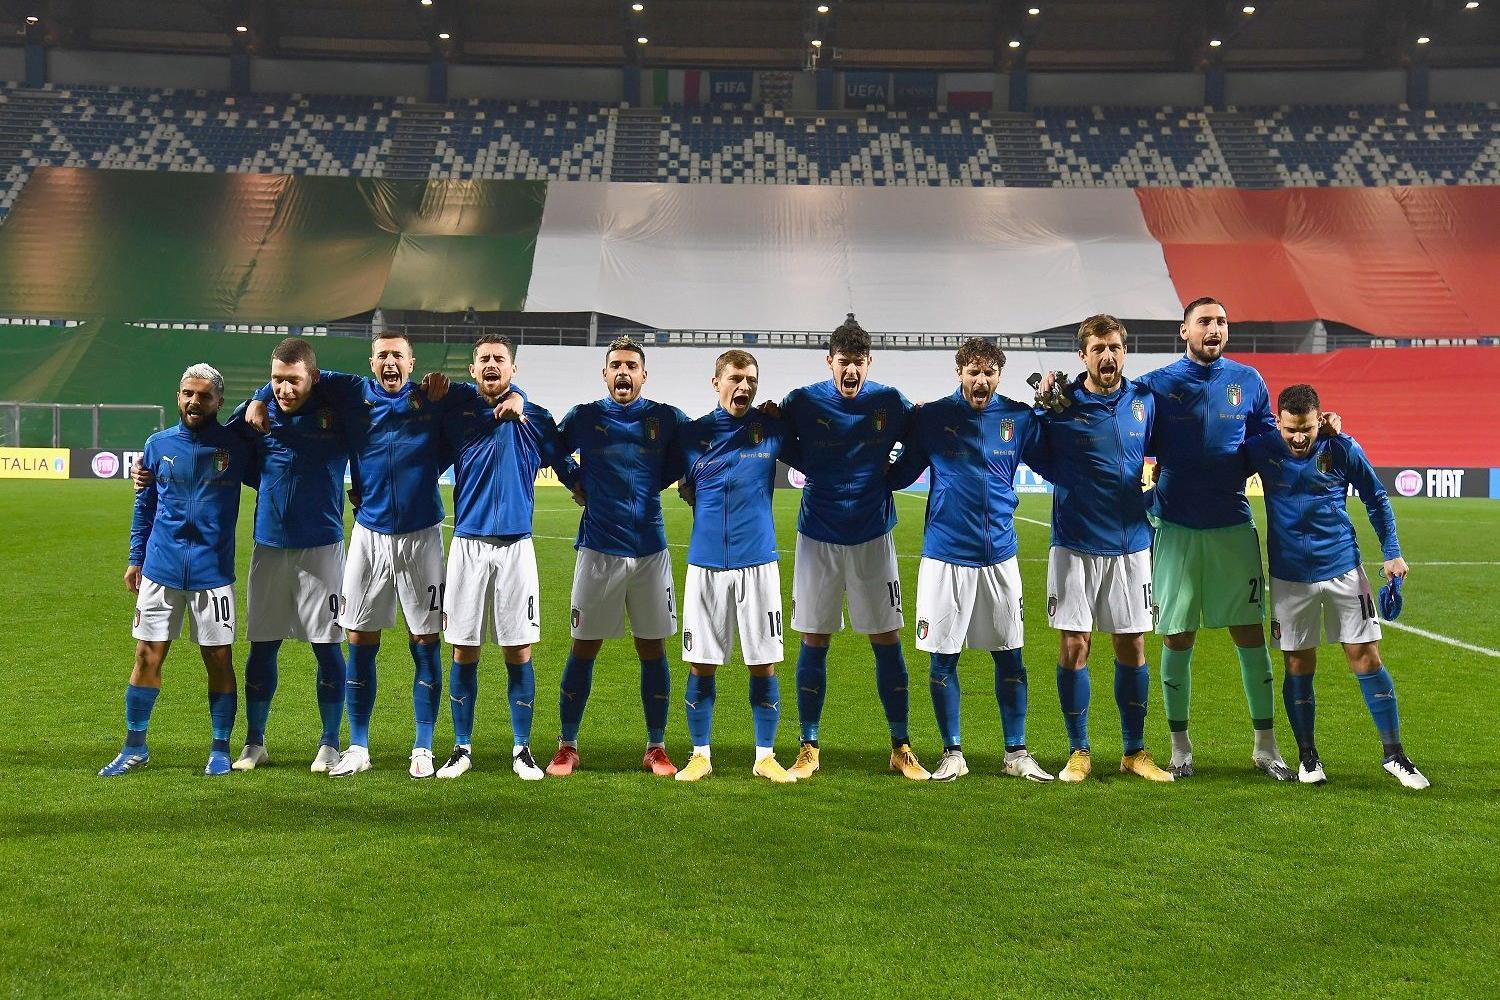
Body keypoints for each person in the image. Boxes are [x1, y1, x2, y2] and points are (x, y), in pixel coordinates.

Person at [246, 333, 489, 778]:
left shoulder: (433, 395)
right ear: (372, 362)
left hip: (422, 534)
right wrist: (258, 399)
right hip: (369, 535)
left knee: (425, 641)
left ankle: (422, 745)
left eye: (398, 355)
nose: (390, 362)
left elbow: (490, 391)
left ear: (412, 362)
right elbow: (296, 377)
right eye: (383, 356)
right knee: (359, 638)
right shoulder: (351, 391)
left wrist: (521, 396)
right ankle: (357, 745)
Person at [1132, 297, 1293, 780]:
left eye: (1221, 321)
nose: (1214, 328)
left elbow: (1269, 443)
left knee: (1249, 633)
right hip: (1176, 529)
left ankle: (1266, 748)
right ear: (1184, 331)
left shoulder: (1249, 381)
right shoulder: (1157, 385)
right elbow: (1127, 438)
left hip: (1231, 525)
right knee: (1177, 635)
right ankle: (1180, 750)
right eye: (1204, 321)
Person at [1245, 384, 1427, 789]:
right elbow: (1217, 473)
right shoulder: (1261, 448)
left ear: (1319, 420)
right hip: (1290, 577)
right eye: (1291, 428)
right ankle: (1308, 756)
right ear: (1279, 422)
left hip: (1344, 567)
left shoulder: (1341, 448)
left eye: (1307, 428)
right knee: (1298, 664)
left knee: (1367, 656)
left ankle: (1394, 755)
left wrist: (1392, 551)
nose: (1298, 437)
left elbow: (1376, 498)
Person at [887, 338, 1053, 783]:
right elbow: (899, 473)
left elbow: (1056, 462)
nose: (981, 381)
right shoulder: (933, 417)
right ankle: (953, 752)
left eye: (989, 372)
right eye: (973, 372)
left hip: (1001, 554)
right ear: (959, 372)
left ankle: (1016, 752)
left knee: (1011, 657)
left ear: (1000, 375)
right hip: (945, 556)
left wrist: (1060, 408)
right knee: (943, 659)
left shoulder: (1018, 418)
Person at [777, 315, 929, 781]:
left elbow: (918, 446)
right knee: (814, 638)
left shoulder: (889, 401)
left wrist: (890, 481)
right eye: (844, 363)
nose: (851, 372)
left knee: (886, 637)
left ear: (869, 363)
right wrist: (817, 467)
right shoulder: (802, 401)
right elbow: (782, 441)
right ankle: (808, 745)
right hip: (818, 536)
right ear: (830, 362)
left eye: (859, 363)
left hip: (872, 535)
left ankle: (901, 745)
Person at [101, 364, 259, 777]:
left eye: (204, 396)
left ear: (219, 402)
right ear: (178, 395)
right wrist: (136, 558)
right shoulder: (157, 445)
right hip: (161, 569)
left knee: (219, 660)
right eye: (188, 393)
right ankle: (135, 746)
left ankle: (220, 748)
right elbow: (145, 506)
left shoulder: (236, 446)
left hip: (213, 573)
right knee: (146, 656)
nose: (194, 401)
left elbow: (268, 411)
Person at [1035, 316, 1174, 783]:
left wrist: (1155, 495)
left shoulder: (1143, 401)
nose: (1107, 356)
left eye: (1114, 347)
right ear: (1083, 356)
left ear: (1124, 351)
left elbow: (1173, 453)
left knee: (1132, 644)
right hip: (1074, 541)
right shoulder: (1060, 404)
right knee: (1075, 646)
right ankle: (1079, 751)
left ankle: (1135, 751)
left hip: (1132, 543)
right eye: (1098, 348)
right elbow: (1031, 448)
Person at [544, 337, 689, 778]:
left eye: (631, 365)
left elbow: (696, 446)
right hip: (598, 550)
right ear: (605, 374)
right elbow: (553, 446)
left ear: (643, 375)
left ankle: (657, 746)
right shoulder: (586, 417)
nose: (623, 372)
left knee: (652, 649)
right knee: (583, 647)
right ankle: (567, 745)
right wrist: (574, 481)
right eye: (615, 366)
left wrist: (673, 478)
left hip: (649, 551)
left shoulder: (666, 419)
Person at [435, 336, 574, 781]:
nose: (492, 365)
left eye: (500, 359)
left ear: (513, 369)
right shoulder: (457, 413)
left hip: (516, 547)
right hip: (467, 544)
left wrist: (589, 490)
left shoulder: (534, 416)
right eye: (484, 360)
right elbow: (421, 459)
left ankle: (521, 749)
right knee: (463, 648)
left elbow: (566, 463)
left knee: (518, 649)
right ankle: (461, 748)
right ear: (473, 370)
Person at [673, 349, 796, 783]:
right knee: (700, 662)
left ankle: (765, 756)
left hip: (758, 563)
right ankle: (700, 754)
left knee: (763, 663)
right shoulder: (691, 436)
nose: (744, 387)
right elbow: (659, 476)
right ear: (716, 382)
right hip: (705, 565)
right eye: (736, 379)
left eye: (751, 381)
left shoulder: (771, 431)